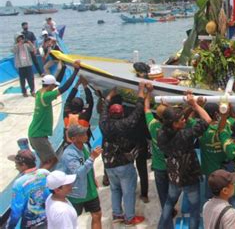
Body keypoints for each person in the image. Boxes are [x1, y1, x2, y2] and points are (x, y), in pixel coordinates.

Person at [156, 92, 212, 229]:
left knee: (169, 202)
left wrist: (189, 108)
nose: (185, 120)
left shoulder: (161, 133)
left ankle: (161, 227)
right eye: (181, 120)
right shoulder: (184, 136)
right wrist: (195, 105)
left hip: (174, 175)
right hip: (189, 177)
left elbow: (178, 119)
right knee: (194, 209)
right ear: (174, 124)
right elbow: (207, 120)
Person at [99, 83, 146, 225]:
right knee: (128, 191)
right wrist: (141, 91)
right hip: (123, 164)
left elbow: (104, 110)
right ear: (122, 113)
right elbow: (138, 111)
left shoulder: (104, 124)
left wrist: (109, 96)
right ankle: (130, 218)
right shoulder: (125, 124)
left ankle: (117, 214)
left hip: (108, 164)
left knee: (115, 189)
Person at [28, 62, 80, 170]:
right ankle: (37, 179)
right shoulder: (47, 96)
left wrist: (64, 68)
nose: (55, 86)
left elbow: (58, 84)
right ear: (50, 85)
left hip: (34, 134)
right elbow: (64, 87)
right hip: (38, 136)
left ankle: (39, 178)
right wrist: (75, 71)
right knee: (53, 160)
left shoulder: (40, 92)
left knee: (45, 161)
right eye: (54, 85)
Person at [58, 125, 103, 229]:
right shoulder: (69, 154)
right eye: (82, 134)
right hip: (76, 193)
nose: (85, 135)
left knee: (97, 214)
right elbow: (78, 174)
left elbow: (89, 167)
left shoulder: (85, 147)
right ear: (73, 138)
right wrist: (92, 158)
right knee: (72, 220)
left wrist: (93, 177)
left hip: (90, 191)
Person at [144, 84, 173, 210]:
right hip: (172, 166)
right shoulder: (173, 128)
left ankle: (167, 211)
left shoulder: (153, 125)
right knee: (174, 192)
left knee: (163, 194)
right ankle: (171, 208)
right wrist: (170, 106)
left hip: (159, 166)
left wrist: (148, 92)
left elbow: (146, 108)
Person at [6, 150, 50, 229]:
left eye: (16, 164)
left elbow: (16, 211)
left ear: (24, 165)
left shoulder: (19, 183)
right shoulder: (45, 173)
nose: (16, 167)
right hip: (49, 219)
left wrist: (9, 227)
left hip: (31, 225)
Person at [200, 102, 235, 198]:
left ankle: (210, 206)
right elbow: (233, 119)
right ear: (217, 114)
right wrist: (228, 110)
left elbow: (189, 119)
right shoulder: (227, 125)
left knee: (210, 194)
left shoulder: (200, 129)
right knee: (226, 192)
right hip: (224, 170)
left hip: (209, 171)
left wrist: (196, 106)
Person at [63, 76, 94, 144]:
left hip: (68, 144)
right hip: (82, 145)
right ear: (82, 107)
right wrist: (85, 85)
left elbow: (68, 100)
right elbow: (90, 101)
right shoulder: (84, 115)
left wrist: (77, 85)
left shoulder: (66, 114)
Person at [13, 33, 36, 97]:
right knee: (22, 80)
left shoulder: (26, 45)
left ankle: (33, 91)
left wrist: (30, 43)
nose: (20, 40)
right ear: (17, 39)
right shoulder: (15, 46)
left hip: (28, 64)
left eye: (21, 38)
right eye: (19, 38)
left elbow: (32, 49)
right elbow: (13, 51)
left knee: (31, 79)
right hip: (21, 66)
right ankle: (24, 92)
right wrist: (19, 45)